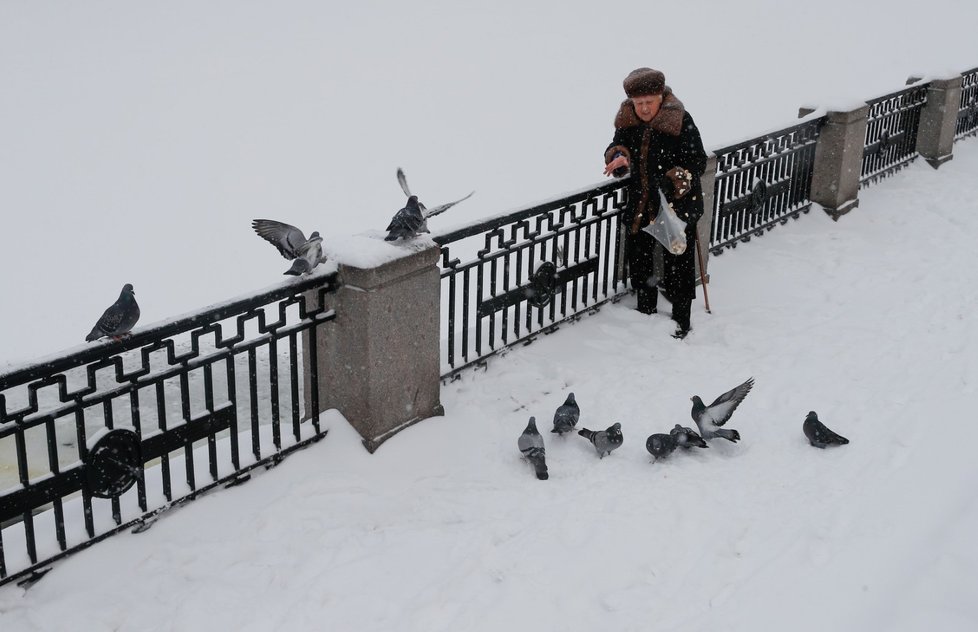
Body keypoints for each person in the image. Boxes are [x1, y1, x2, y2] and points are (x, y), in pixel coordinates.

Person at [603, 67, 708, 339]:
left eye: (649, 102)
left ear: (661, 97)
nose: (644, 108)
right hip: (642, 203)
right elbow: (618, 145)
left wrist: (673, 179)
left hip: (677, 205)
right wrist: (618, 157)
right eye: (639, 103)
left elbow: (697, 160)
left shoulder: (680, 120)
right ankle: (645, 310)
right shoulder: (628, 120)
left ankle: (681, 320)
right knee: (640, 259)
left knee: (678, 262)